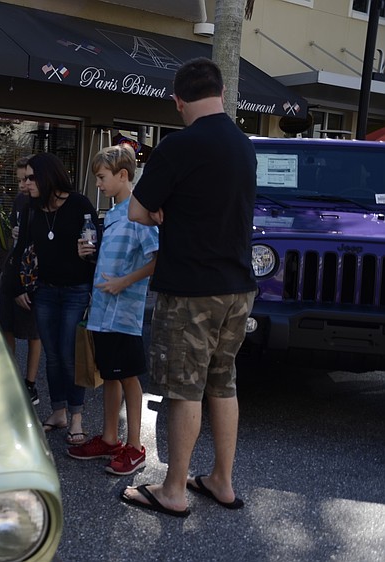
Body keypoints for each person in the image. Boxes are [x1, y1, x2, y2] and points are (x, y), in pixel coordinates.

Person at [121, 57, 257, 517]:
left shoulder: (178, 146)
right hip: (238, 285)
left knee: (183, 388)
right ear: (220, 93)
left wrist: (162, 211)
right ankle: (222, 479)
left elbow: (137, 211)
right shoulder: (244, 145)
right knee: (223, 383)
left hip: (191, 288)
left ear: (178, 101)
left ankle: (175, 488)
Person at [67, 144, 158, 476]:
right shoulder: (115, 213)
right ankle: (109, 438)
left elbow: (156, 259)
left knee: (129, 377)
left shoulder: (139, 214)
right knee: (110, 375)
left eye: (103, 178)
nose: (99, 185)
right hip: (104, 312)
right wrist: (88, 254)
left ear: (123, 175)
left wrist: (123, 282)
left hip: (124, 313)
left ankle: (134, 445)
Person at [14, 152, 97, 445]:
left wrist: (90, 254)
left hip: (75, 290)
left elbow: (95, 246)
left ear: (48, 176)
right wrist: (20, 287)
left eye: (31, 178)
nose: (26, 184)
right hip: (45, 290)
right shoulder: (32, 208)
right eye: (24, 179)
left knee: (69, 355)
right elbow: (22, 248)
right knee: (52, 355)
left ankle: (76, 418)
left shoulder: (79, 204)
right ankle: (58, 412)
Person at [0, 156, 43, 405]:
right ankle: (9, 378)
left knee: (34, 332)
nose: (22, 185)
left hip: (33, 276)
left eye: (26, 179)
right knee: (6, 327)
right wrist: (15, 232)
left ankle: (30, 384)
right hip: (13, 269)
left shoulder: (45, 204)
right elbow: (15, 234)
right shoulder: (19, 201)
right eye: (19, 180)